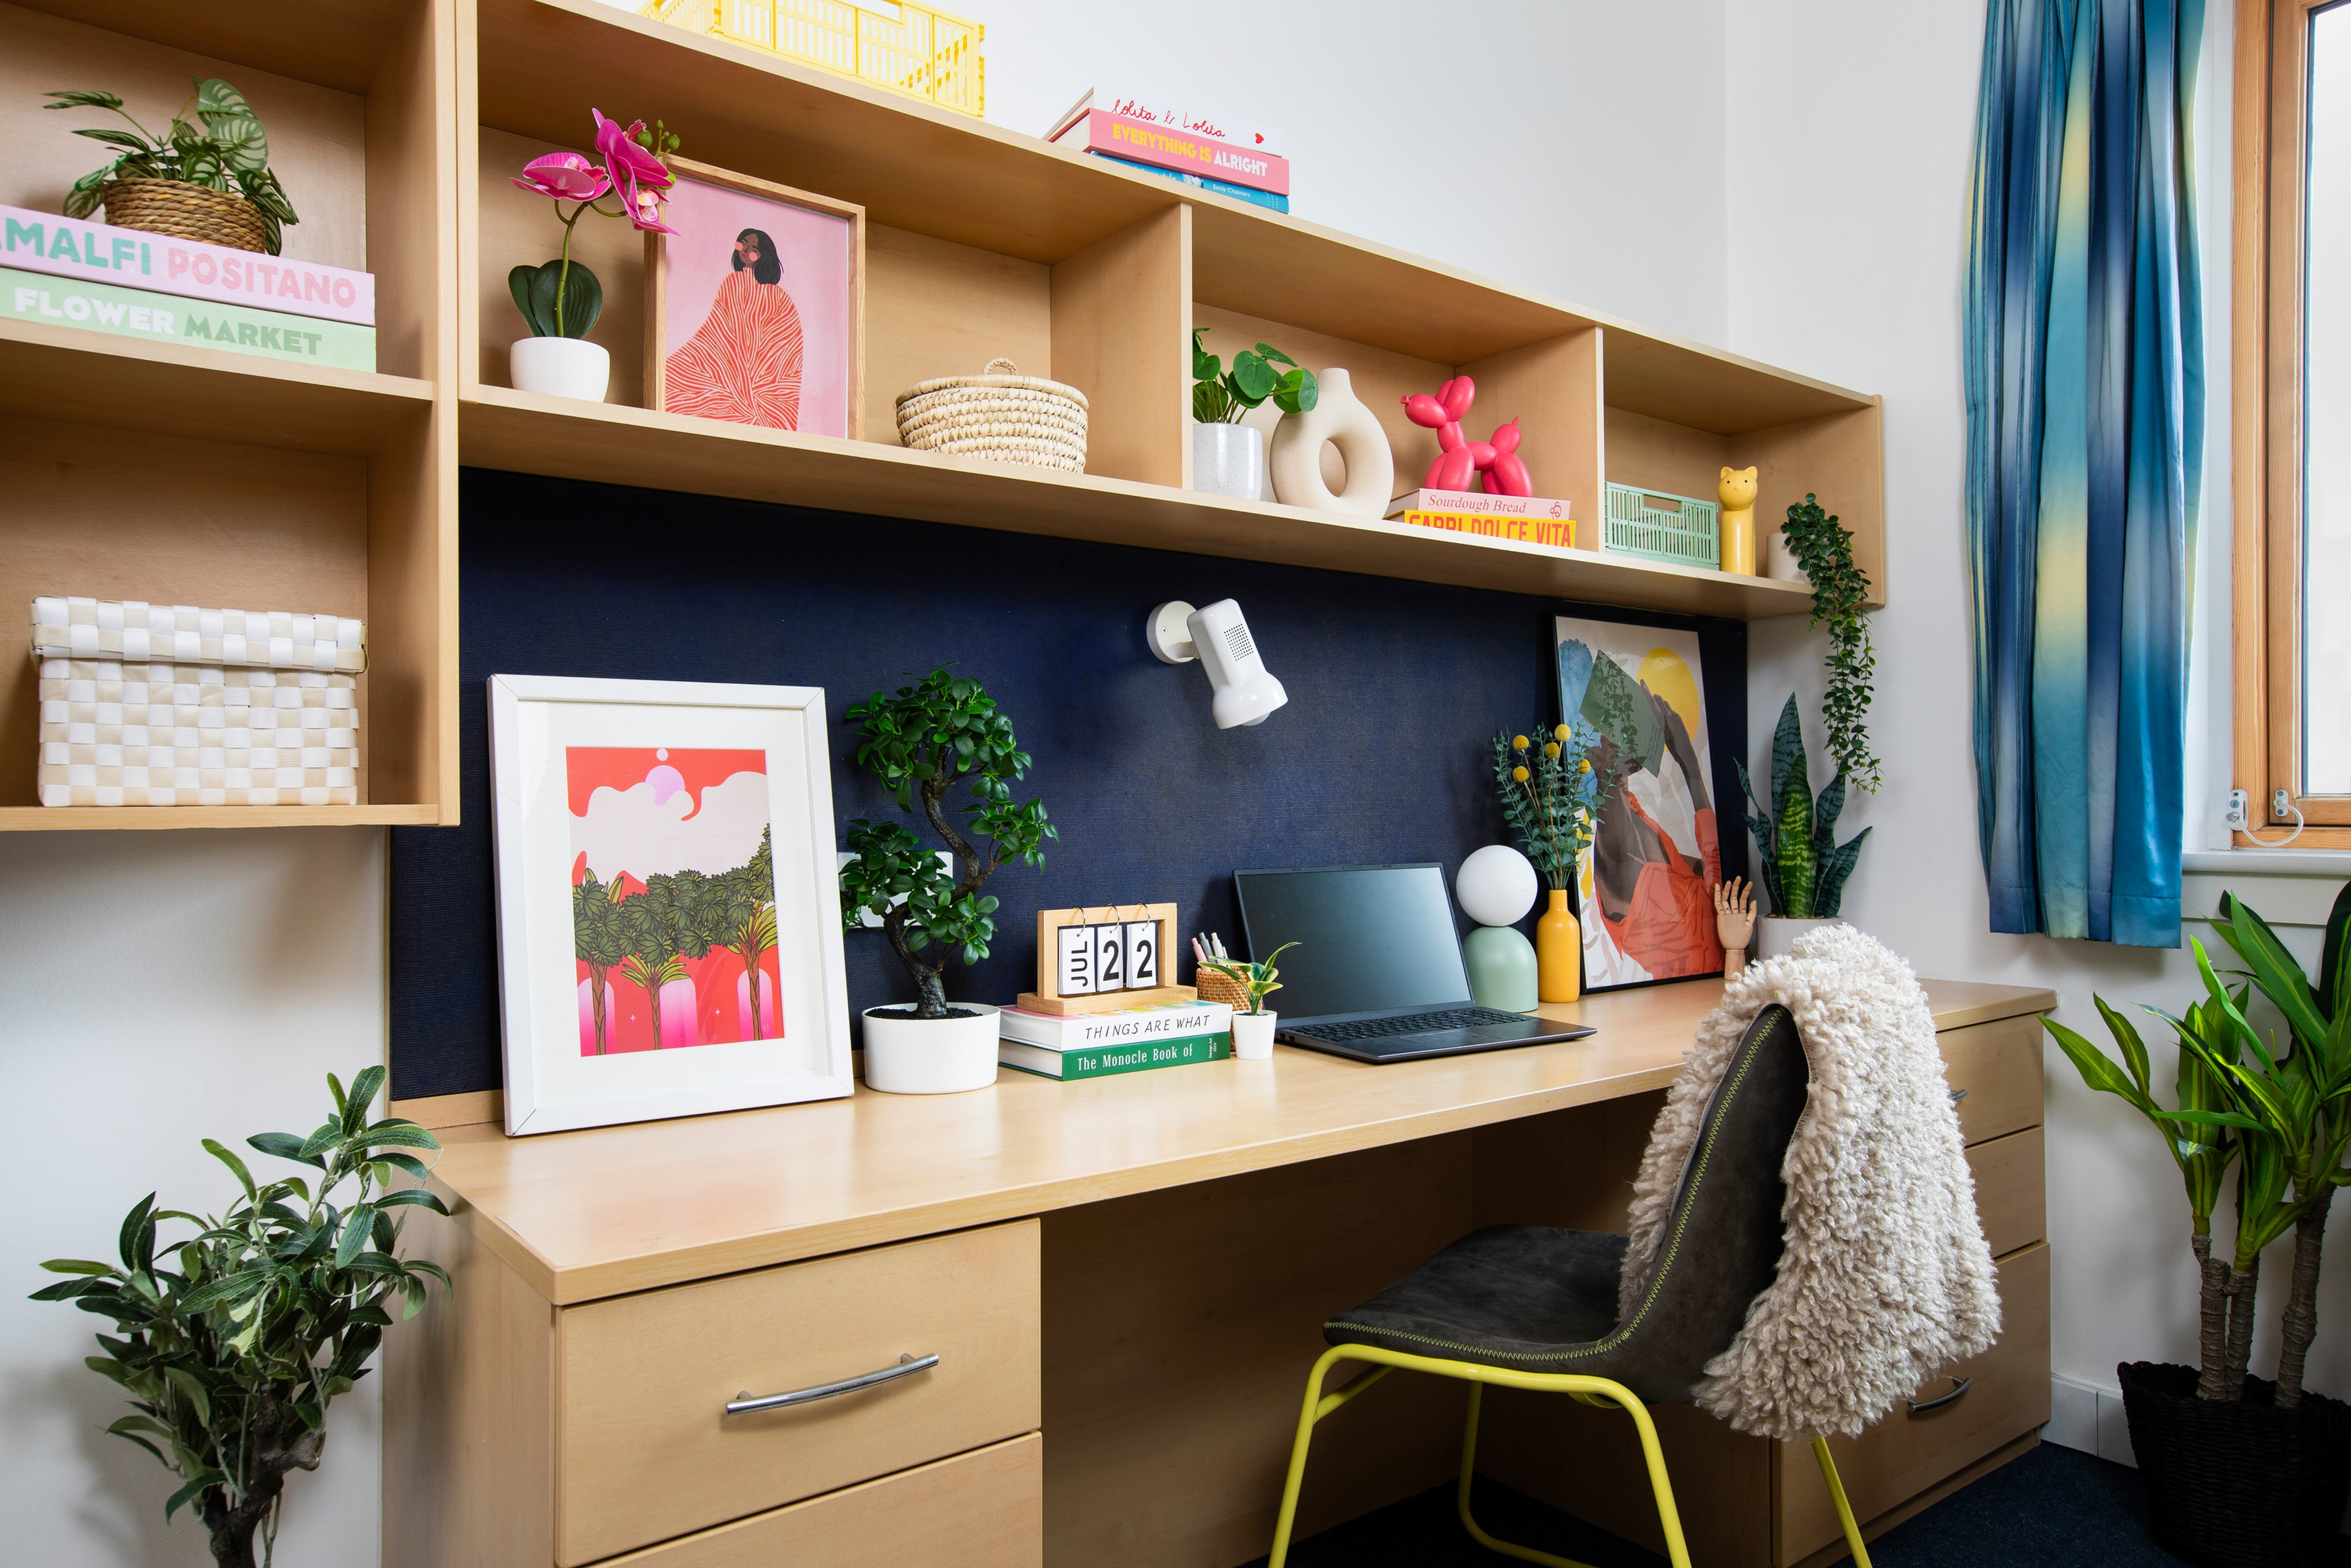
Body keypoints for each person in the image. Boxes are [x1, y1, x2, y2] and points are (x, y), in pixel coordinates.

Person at [663, 227, 804, 429]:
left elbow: (786, 345)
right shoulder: (731, 283)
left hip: (765, 376)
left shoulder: (779, 297)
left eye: (754, 248)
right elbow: (717, 330)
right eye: (743, 244)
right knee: (669, 374)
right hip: (726, 364)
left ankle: (747, 403)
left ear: (764, 256)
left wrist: (752, 368)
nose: (746, 251)